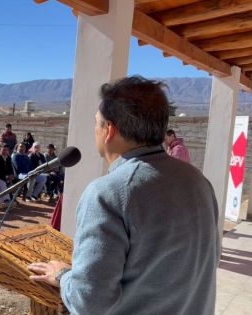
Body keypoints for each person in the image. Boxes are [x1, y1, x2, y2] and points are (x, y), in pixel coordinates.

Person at [28, 76, 219, 314]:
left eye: (97, 122)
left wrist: (62, 276)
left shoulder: (108, 194)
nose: (94, 130)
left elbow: (90, 301)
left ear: (110, 130)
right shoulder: (198, 181)